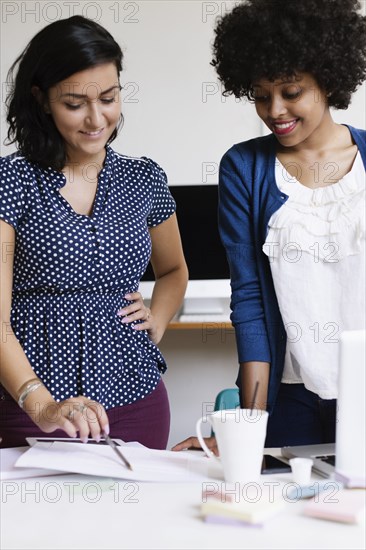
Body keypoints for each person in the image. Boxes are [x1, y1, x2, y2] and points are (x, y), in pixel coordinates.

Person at [173, 0, 366, 453]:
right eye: (261, 95)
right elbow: (251, 302)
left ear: (329, 80)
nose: (274, 109)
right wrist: (247, 425)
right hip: (290, 398)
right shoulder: (244, 167)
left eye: (291, 92)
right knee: (277, 512)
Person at [0, 15, 188, 449]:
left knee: (140, 517)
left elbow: (175, 270)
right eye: (74, 103)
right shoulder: (12, 182)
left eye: (108, 97)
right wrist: (42, 405)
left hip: (137, 399)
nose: (95, 118)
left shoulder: (144, 179)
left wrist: (156, 320)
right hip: (34, 407)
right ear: (42, 100)